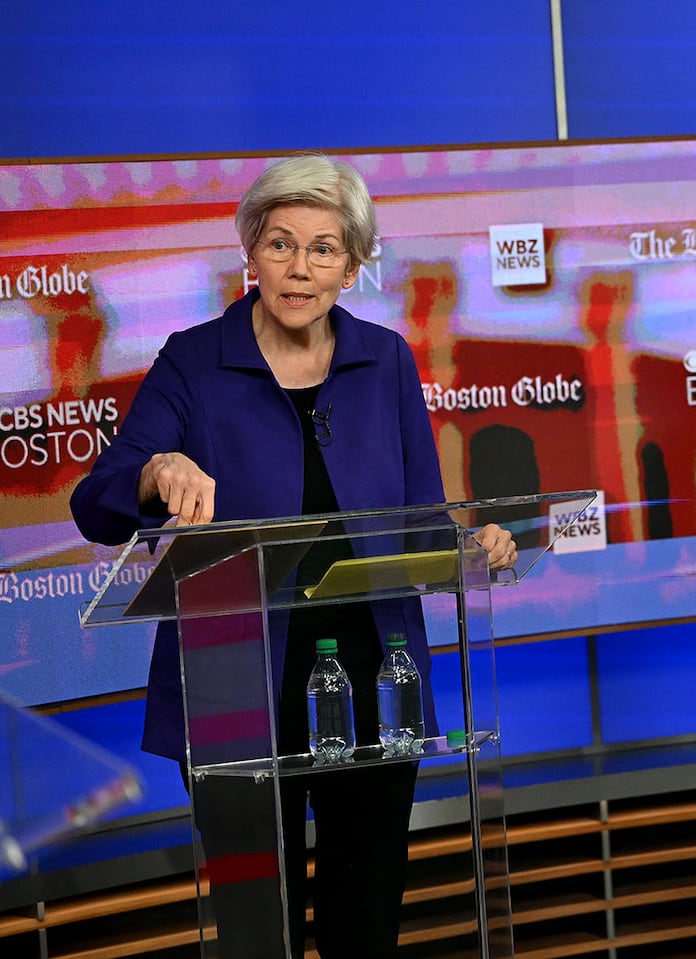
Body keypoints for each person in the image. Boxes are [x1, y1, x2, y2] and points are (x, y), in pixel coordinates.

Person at [70, 154, 517, 958]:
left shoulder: (386, 361)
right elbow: (95, 500)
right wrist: (154, 469)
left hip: (382, 685)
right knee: (256, 938)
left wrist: (474, 545)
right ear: (251, 252)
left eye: (322, 248)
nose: (300, 268)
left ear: (352, 264)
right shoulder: (193, 362)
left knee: (364, 925)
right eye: (280, 243)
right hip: (235, 693)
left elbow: (422, 523)